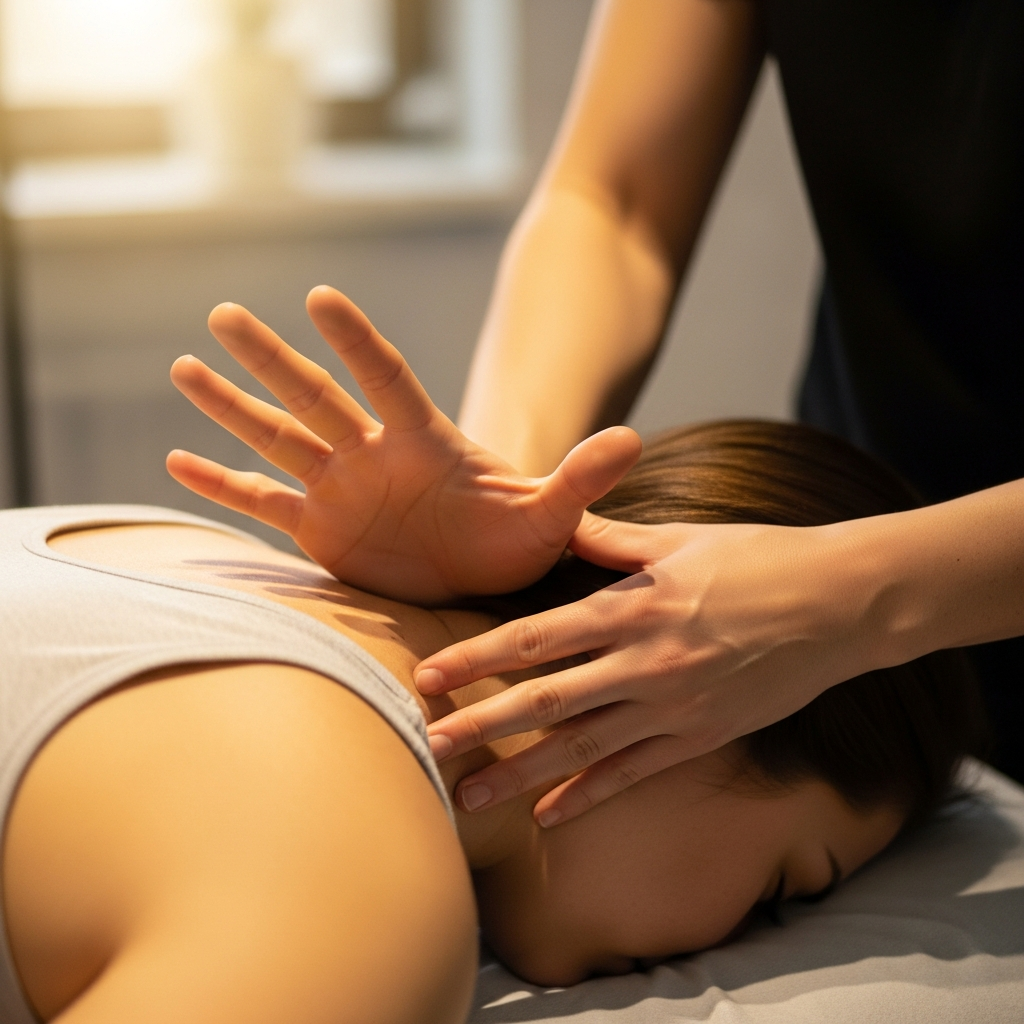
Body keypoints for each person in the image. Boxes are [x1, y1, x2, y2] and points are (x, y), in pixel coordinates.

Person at [0, 290, 987, 1021]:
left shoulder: (163, 544)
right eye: (780, 889)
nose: (736, 934)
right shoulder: (355, 893)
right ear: (704, 686)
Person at [410, 0, 1024, 824]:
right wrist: (509, 494)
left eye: (790, 885)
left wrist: (852, 595)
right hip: (852, 541)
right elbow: (616, 200)